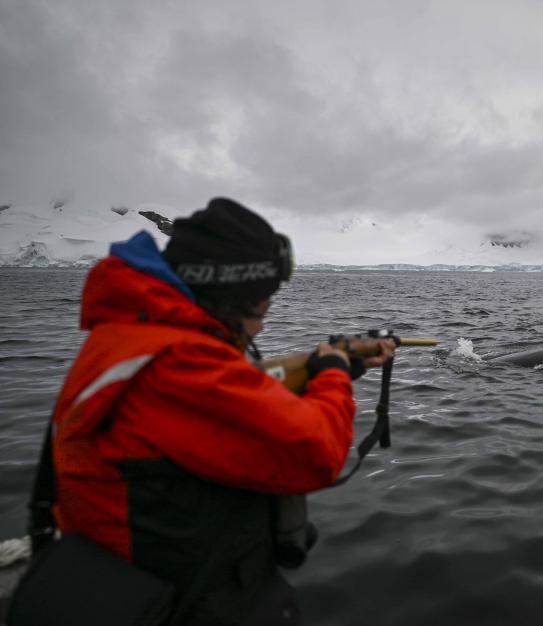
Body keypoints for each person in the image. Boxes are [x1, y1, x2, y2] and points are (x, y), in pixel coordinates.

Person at [47, 197, 394, 625]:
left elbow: (239, 398)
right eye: (261, 304)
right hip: (176, 600)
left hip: (129, 579)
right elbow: (316, 452)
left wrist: (338, 368)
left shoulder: (134, 336)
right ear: (232, 294)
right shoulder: (177, 363)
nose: (262, 323)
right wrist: (334, 375)